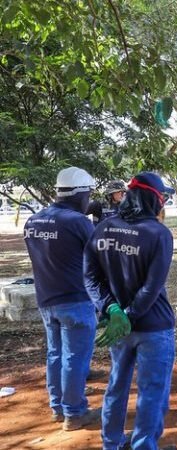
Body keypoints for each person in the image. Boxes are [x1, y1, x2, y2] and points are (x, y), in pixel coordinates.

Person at [84, 172, 176, 450]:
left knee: (117, 385)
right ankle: (143, 446)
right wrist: (127, 314)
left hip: (119, 328)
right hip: (153, 325)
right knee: (151, 392)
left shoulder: (103, 228)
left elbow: (90, 277)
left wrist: (112, 310)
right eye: (163, 199)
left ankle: (110, 444)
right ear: (154, 200)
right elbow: (151, 287)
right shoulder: (159, 234)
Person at [23, 167, 100, 431]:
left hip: (46, 299)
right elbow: (99, 258)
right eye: (89, 194)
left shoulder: (33, 221)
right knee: (75, 357)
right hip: (76, 300)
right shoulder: (78, 222)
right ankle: (75, 413)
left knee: (55, 354)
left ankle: (57, 407)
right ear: (80, 194)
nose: (90, 201)